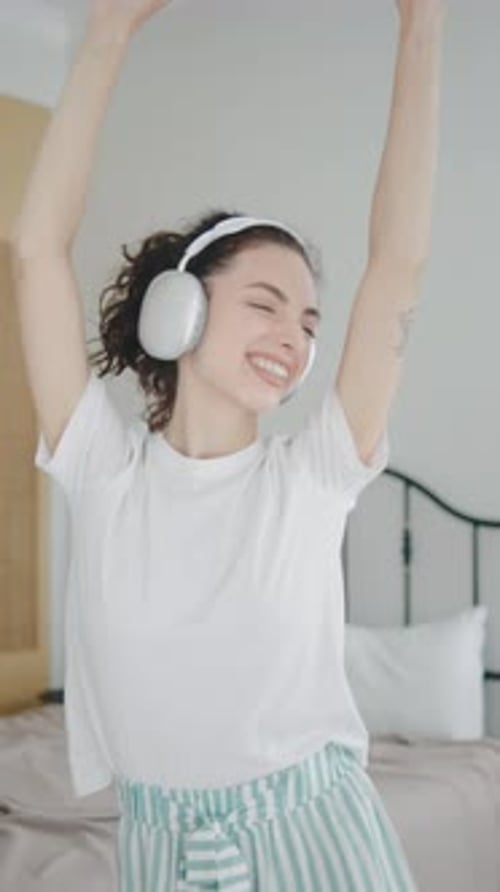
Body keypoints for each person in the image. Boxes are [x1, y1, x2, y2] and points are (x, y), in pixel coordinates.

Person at [10, 0, 444, 888]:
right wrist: (107, 36)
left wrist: (421, 24)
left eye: (310, 320)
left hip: (313, 835)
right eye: (265, 303)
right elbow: (36, 252)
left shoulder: (313, 478)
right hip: (159, 844)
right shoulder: (104, 470)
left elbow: (396, 263)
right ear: (181, 311)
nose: (295, 336)